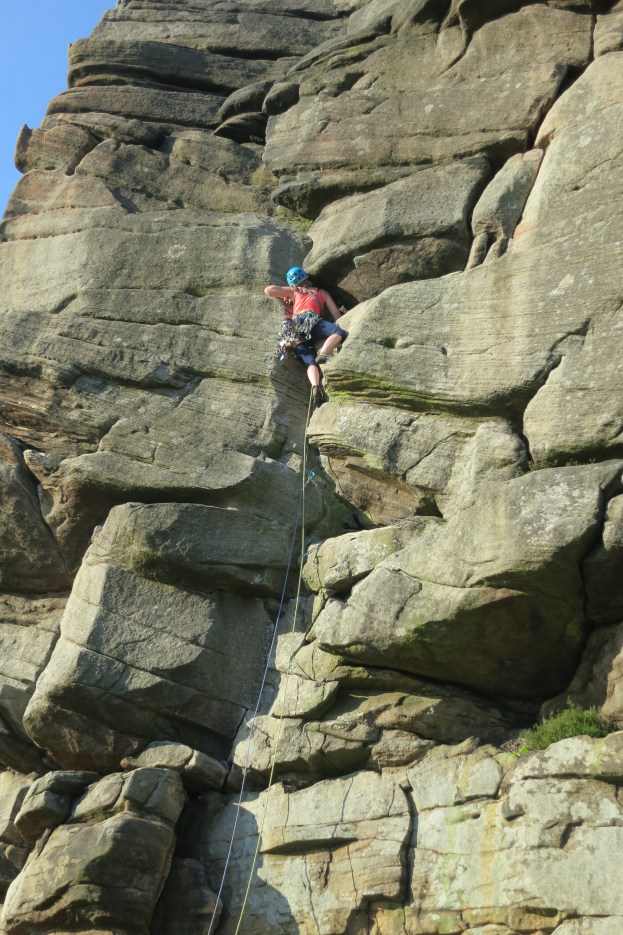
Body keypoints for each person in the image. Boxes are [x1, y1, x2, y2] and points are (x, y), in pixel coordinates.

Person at [265, 267, 347, 409]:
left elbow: (269, 290)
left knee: (310, 361)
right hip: (311, 321)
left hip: (294, 329)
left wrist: (289, 290)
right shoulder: (321, 292)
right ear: (306, 278)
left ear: (293, 283)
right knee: (339, 333)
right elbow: (335, 313)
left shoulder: (294, 291)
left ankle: (316, 387)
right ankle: (323, 353)